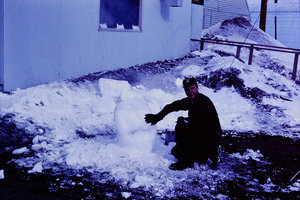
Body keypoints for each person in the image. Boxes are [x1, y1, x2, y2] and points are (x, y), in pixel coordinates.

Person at [145, 77, 222, 170]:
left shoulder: (203, 102)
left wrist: (183, 122)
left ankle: (186, 162)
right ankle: (196, 154)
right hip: (203, 135)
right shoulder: (192, 101)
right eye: (187, 89)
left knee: (181, 127)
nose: (190, 92)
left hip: (210, 139)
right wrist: (157, 117)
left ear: (197, 87)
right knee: (177, 149)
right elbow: (172, 106)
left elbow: (196, 126)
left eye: (192, 88)